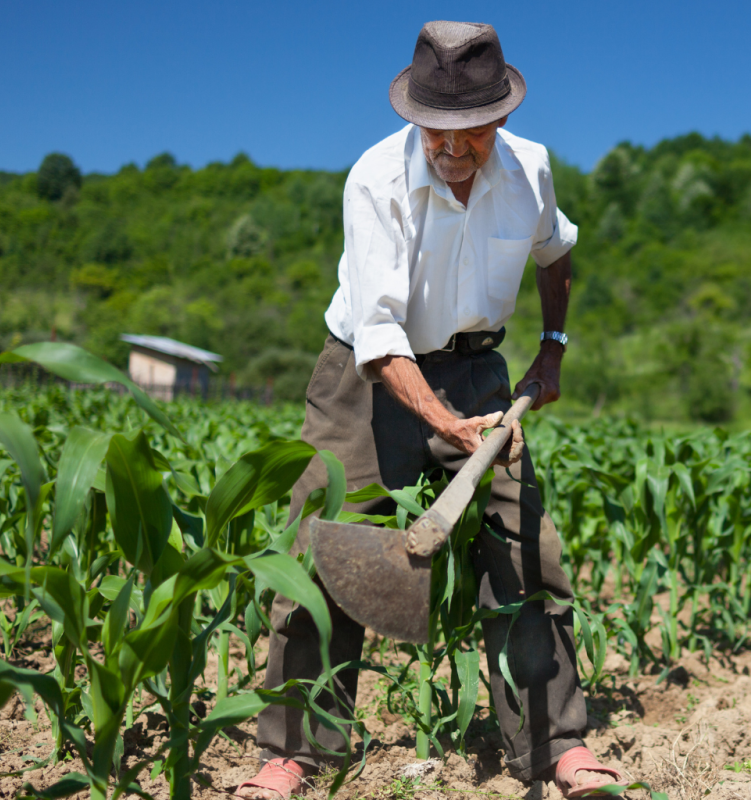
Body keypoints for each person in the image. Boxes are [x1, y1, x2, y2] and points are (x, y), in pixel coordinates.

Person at [234, 21, 621, 800]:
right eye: (432, 131)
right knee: (320, 541)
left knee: (523, 547)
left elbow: (556, 250)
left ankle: (552, 744)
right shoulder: (375, 179)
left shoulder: (532, 171)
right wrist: (444, 426)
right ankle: (296, 748)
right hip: (364, 374)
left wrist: (553, 345)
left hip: (479, 369)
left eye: (466, 133)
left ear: (499, 118)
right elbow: (379, 338)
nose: (448, 149)